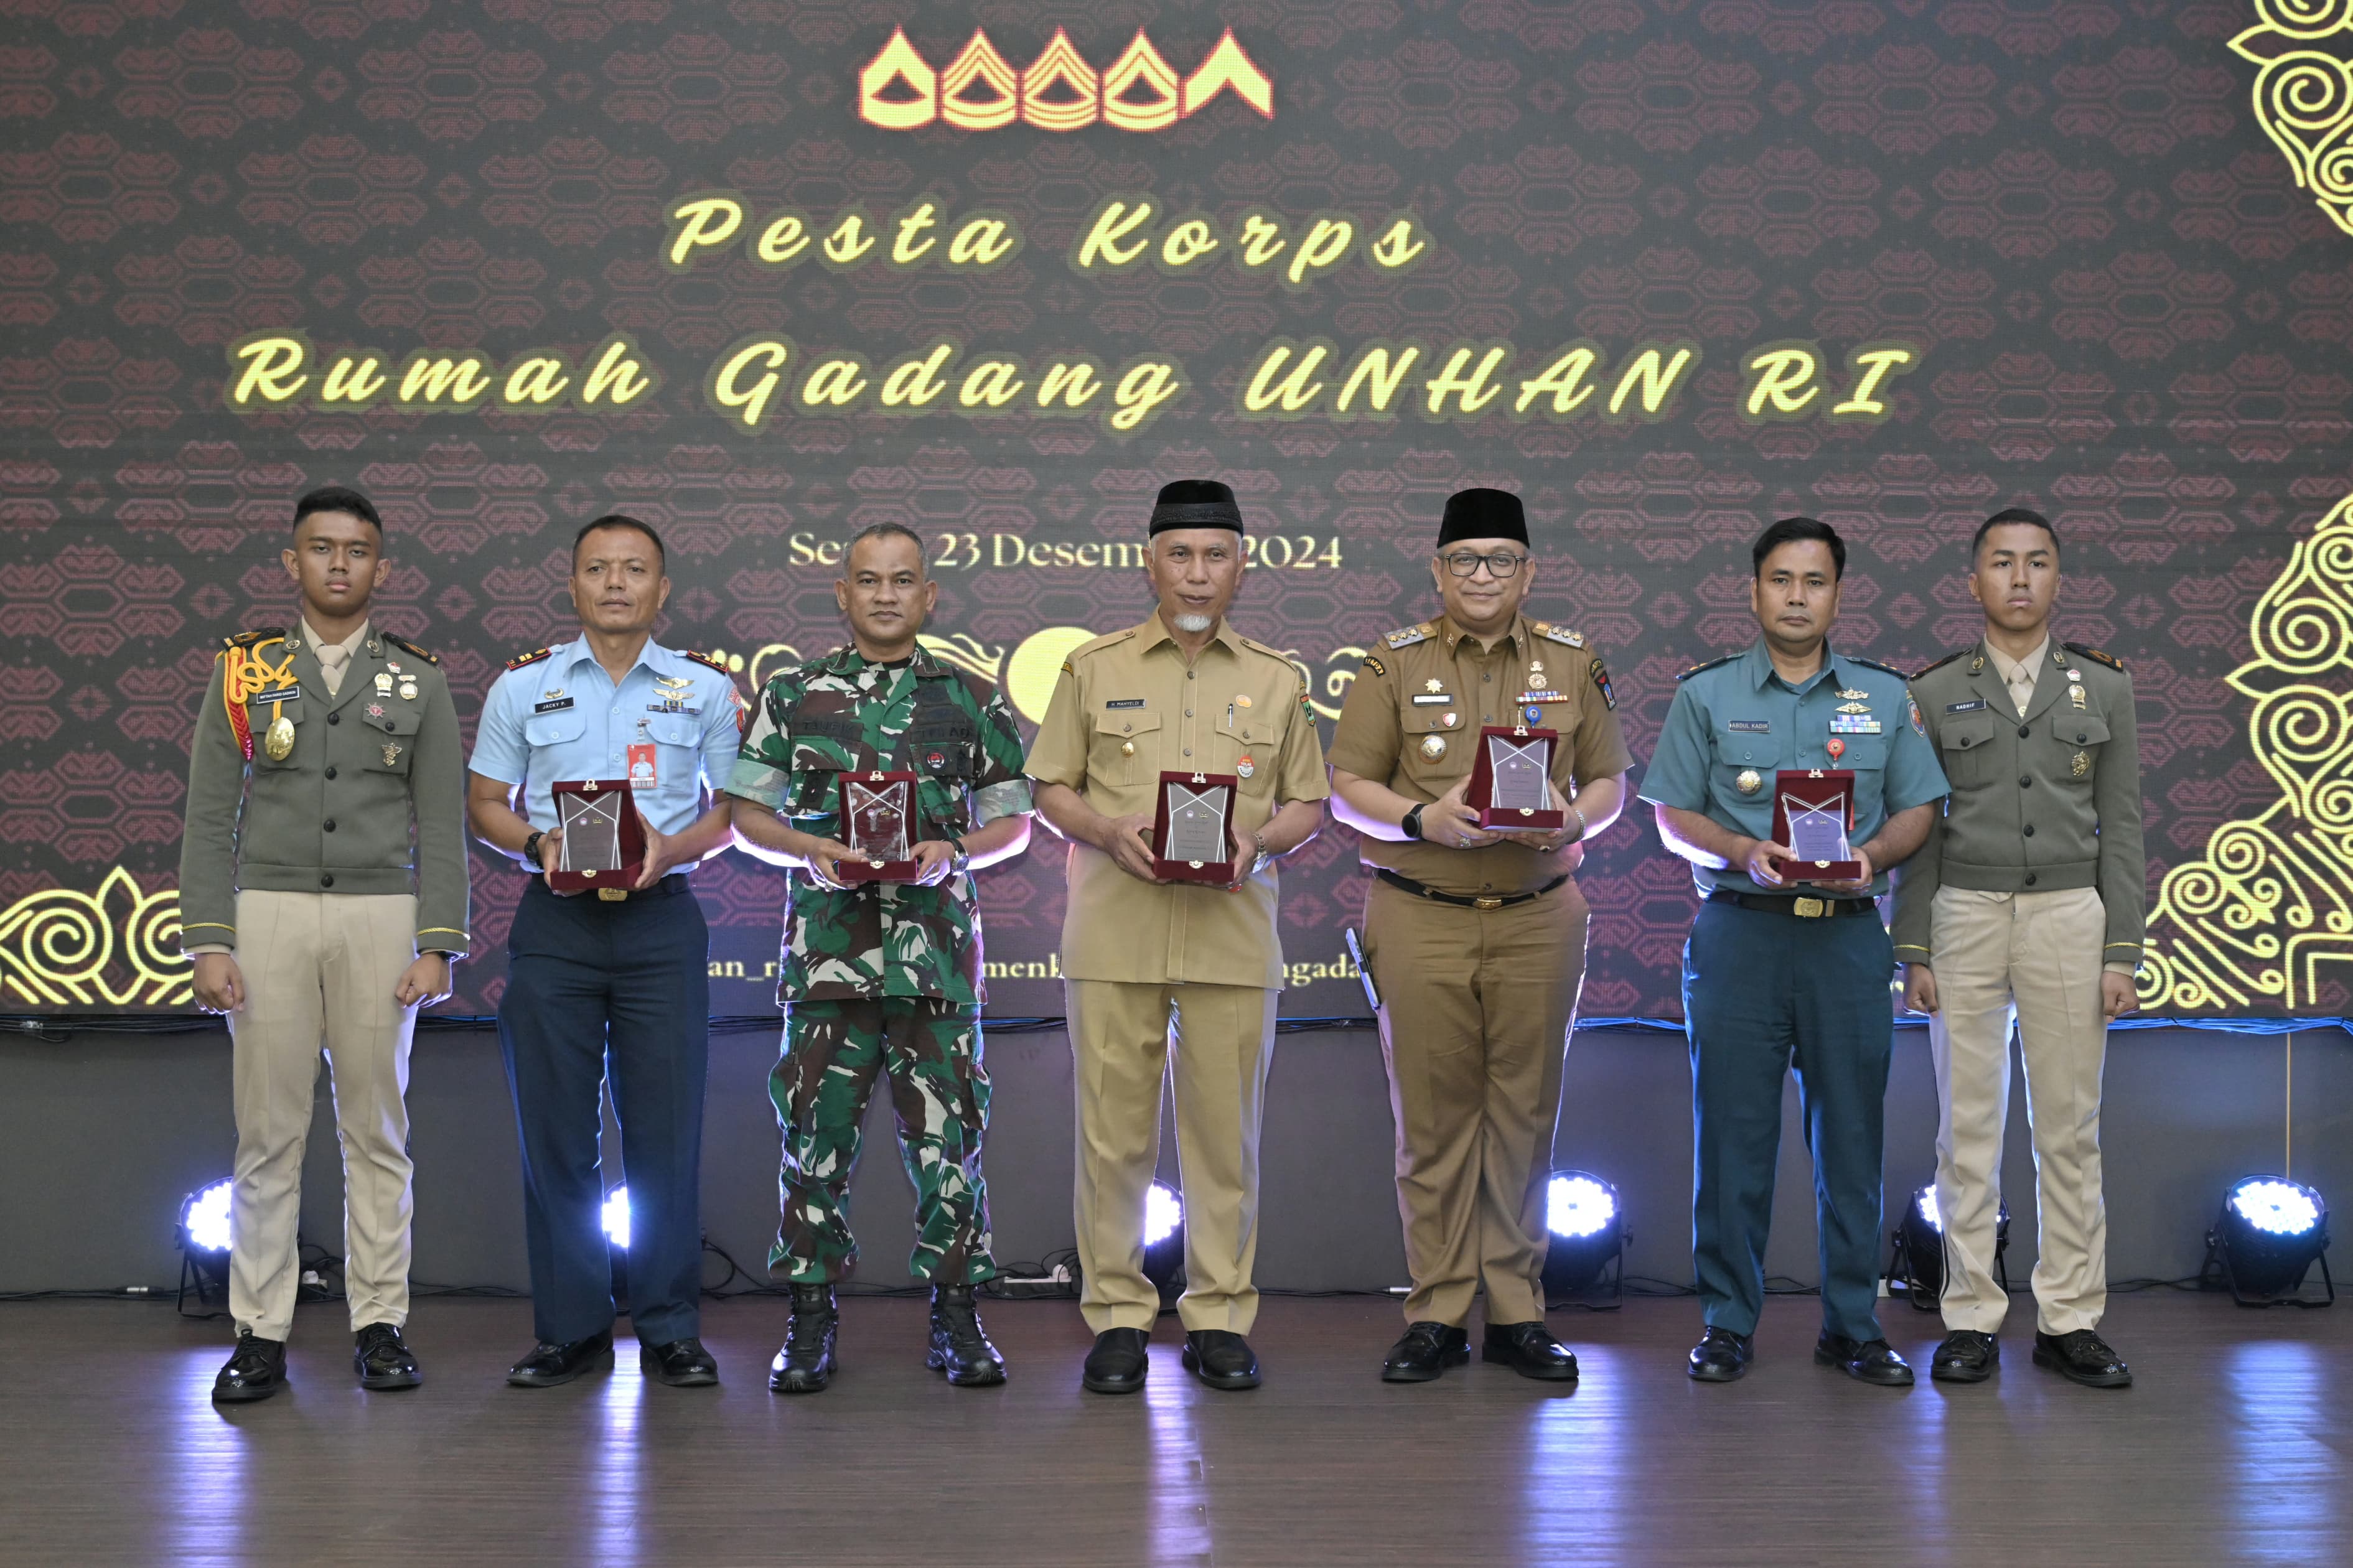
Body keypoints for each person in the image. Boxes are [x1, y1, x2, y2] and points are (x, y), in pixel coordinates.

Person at [1025, 478, 1329, 1394]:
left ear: (1242, 566)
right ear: (1148, 562)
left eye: (1215, 556)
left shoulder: (1278, 679)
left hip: (1232, 936)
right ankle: (1118, 1317)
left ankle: (1218, 1319)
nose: (1197, 574)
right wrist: (1105, 830)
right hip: (1116, 935)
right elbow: (1050, 787)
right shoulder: (1092, 667)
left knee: (1225, 1144)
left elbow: (1308, 803)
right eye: (1180, 554)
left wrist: (1258, 841)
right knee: (1111, 1139)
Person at [1326, 487, 1631, 1384]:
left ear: (1529, 573)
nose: (1483, 575)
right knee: (1432, 1124)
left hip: (1539, 916)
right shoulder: (1392, 663)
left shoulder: (1574, 661)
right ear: (1438, 570)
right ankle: (1436, 1312)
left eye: (1502, 560)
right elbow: (1346, 787)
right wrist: (1421, 818)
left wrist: (1575, 820)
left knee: (1525, 1119)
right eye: (1465, 559)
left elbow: (1610, 781)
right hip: (1421, 911)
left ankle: (1517, 1313)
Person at [724, 523, 1034, 1394]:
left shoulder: (971, 697)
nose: (886, 595)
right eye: (869, 580)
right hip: (829, 960)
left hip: (935, 960)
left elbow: (1014, 822)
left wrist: (953, 850)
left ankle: (957, 1317)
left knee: (950, 1144)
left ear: (928, 595)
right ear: (843, 594)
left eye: (903, 580)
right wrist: (807, 849)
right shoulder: (794, 695)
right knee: (813, 1141)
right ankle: (810, 1319)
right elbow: (747, 816)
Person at [1641, 516, 1948, 1388]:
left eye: (1814, 582)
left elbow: (1920, 808)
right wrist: (1741, 849)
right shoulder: (1705, 695)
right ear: (1754, 591)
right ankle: (1726, 1323)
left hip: (1846, 937)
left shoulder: (1884, 697)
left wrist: (1872, 856)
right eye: (1780, 580)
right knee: (1730, 1140)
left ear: (1838, 595)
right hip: (1741, 932)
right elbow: (1671, 815)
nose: (1796, 597)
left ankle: (1851, 1326)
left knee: (1851, 1141)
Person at [179, 483, 469, 1402]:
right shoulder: (245, 671)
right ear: (291, 561)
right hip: (267, 914)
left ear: (380, 566)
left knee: (377, 1132)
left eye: (357, 550)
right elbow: (209, 815)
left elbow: (441, 821)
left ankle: (379, 1324)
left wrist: (438, 943)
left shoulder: (419, 679)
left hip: (382, 918)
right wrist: (208, 939)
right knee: (267, 1134)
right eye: (321, 548)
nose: (339, 565)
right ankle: (259, 1333)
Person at [465, 514, 741, 1389]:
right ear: (573, 585)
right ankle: (570, 1328)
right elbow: (485, 801)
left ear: (663, 589)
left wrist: (675, 847)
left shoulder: (706, 689)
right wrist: (535, 843)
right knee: (556, 1134)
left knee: (666, 1133)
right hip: (557, 927)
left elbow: (734, 809)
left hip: (661, 922)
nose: (616, 583)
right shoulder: (524, 686)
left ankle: (670, 1328)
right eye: (598, 569)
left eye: (634, 570)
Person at [1894, 507, 2143, 1390]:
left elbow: (2121, 826)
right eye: (2002, 563)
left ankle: (2070, 1318)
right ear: (1974, 582)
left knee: (2069, 1129)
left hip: (2070, 916)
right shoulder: (1931, 692)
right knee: (1966, 1130)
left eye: (2037, 562)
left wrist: (2122, 949)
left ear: (2058, 580)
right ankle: (1970, 1316)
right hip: (1963, 914)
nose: (2020, 578)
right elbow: (1919, 828)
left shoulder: (2101, 687)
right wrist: (1914, 945)